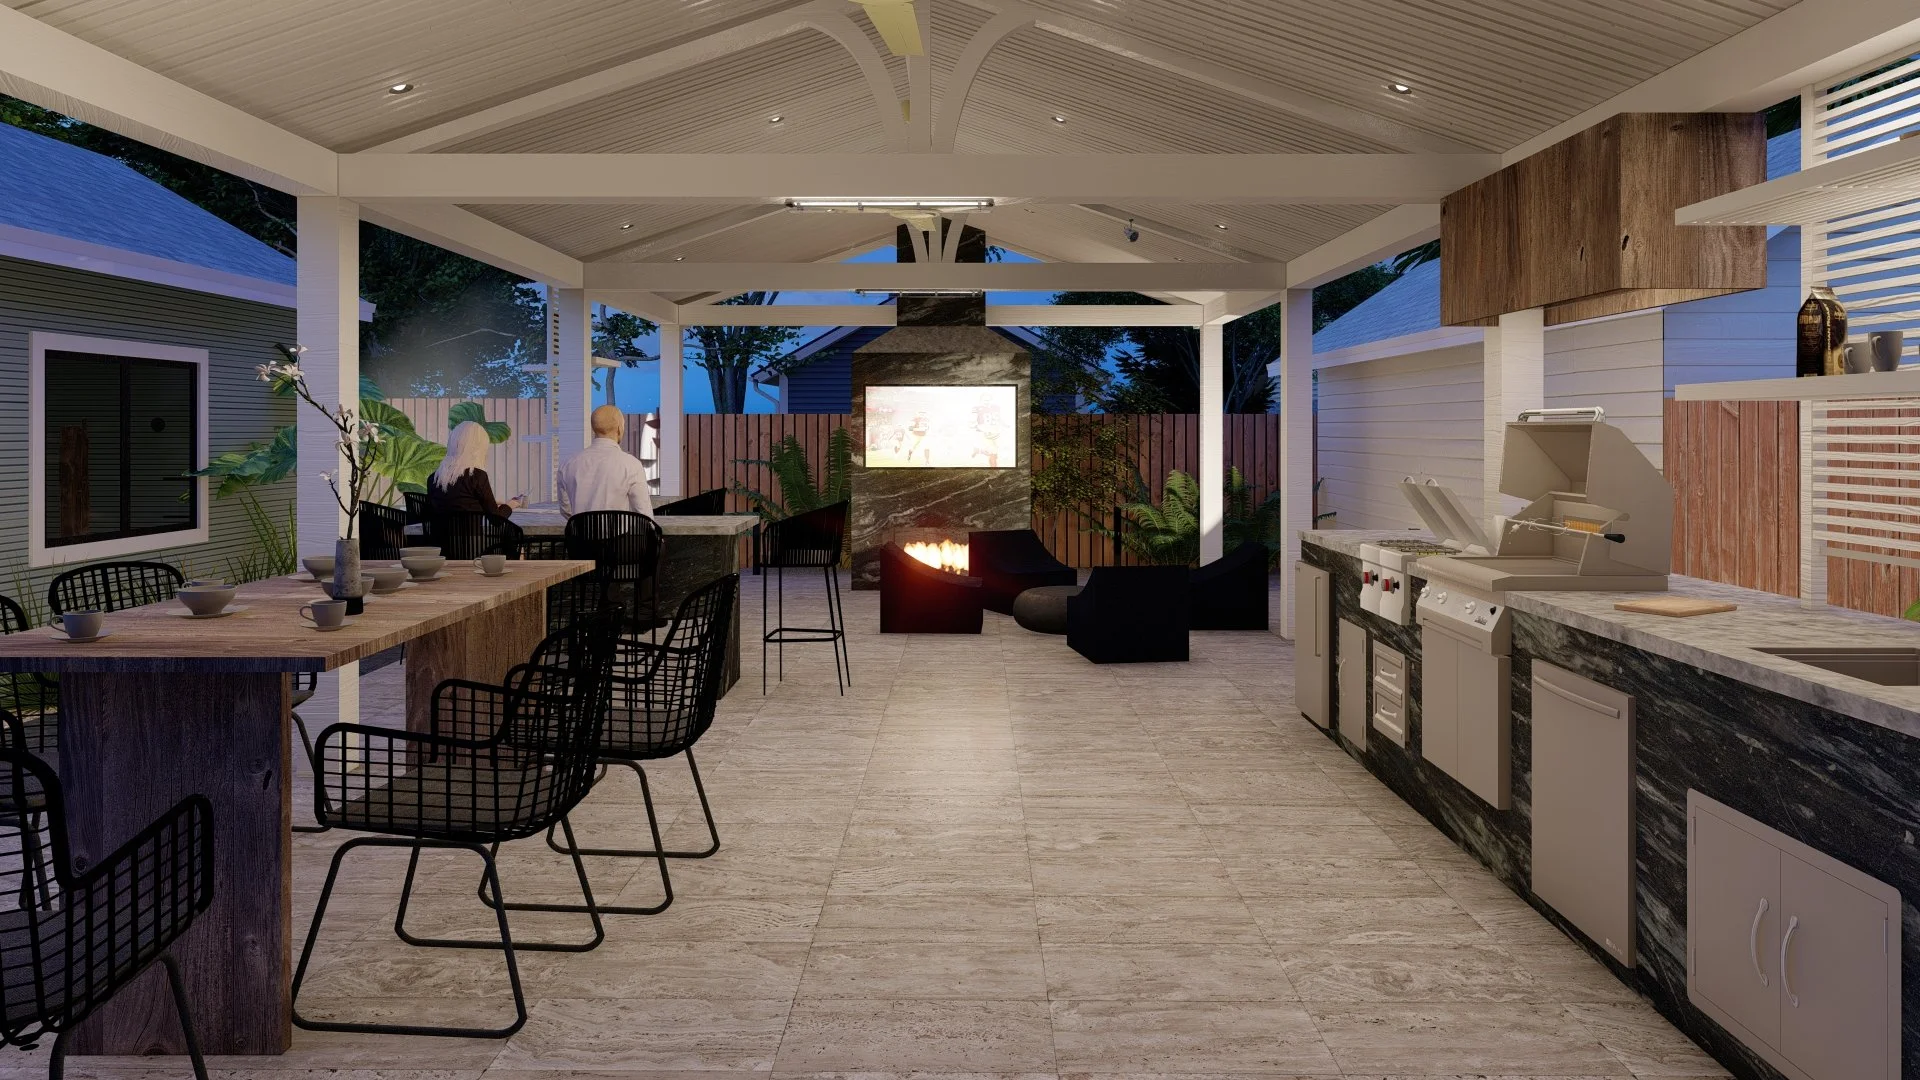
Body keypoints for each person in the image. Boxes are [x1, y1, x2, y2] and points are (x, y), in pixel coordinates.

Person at [558, 405, 654, 517]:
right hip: (620, 534)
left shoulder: (567, 465)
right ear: (619, 428)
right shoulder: (632, 465)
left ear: (594, 428)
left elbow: (566, 510)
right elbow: (643, 513)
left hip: (580, 534)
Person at [428, 420, 522, 520]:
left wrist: (489, 504)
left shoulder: (434, 478)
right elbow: (496, 519)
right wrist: (510, 505)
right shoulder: (477, 476)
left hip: (439, 536)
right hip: (472, 535)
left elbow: (458, 503)